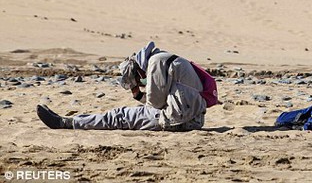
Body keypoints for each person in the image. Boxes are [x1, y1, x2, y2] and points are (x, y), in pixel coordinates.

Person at [36, 42, 207, 131]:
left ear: (139, 69)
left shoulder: (156, 62)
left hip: (177, 120)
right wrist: (138, 95)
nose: (141, 80)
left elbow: (155, 104)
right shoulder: (165, 58)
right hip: (192, 119)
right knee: (125, 115)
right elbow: (163, 100)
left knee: (119, 116)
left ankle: (65, 123)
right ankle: (72, 121)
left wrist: (138, 91)